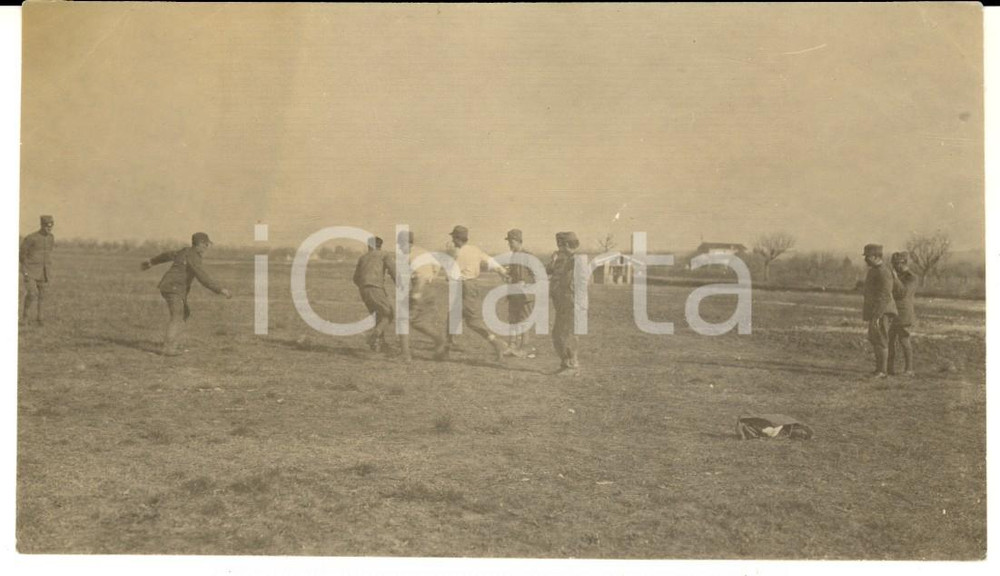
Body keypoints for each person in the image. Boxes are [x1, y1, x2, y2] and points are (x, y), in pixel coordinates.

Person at [141, 232, 232, 356]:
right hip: (174, 288)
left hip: (171, 286)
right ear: (200, 244)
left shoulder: (185, 251)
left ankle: (173, 344)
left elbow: (167, 255)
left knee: (184, 313)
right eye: (206, 245)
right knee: (177, 315)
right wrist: (220, 290)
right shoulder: (194, 257)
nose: (206, 248)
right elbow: (202, 276)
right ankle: (168, 348)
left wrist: (152, 262)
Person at [439, 225, 516, 362]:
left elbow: (452, 274)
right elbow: (491, 262)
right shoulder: (475, 250)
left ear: (457, 238)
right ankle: (445, 350)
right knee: (452, 318)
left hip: (464, 287)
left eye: (453, 238)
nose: (452, 240)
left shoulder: (458, 253)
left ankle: (497, 344)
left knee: (472, 321)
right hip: (471, 286)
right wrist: (503, 272)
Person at [396, 231, 447, 362]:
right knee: (418, 322)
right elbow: (437, 266)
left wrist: (416, 293)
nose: (399, 247)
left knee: (403, 320)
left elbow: (421, 276)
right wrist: (432, 277)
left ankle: (405, 355)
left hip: (420, 289)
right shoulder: (423, 251)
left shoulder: (411, 256)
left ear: (406, 243)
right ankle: (439, 340)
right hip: (430, 289)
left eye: (400, 244)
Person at [547, 231, 582, 376]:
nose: (558, 249)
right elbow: (548, 270)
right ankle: (565, 363)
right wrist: (554, 260)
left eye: (560, 245)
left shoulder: (576, 260)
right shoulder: (561, 259)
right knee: (557, 334)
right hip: (560, 301)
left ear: (566, 245)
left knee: (568, 333)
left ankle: (573, 365)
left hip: (571, 302)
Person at [353, 236, 396, 353]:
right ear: (380, 245)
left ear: (368, 245)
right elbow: (394, 271)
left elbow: (355, 278)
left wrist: (364, 286)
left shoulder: (362, 257)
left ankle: (379, 345)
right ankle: (374, 336)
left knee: (379, 316)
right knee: (389, 314)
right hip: (376, 288)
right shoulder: (384, 255)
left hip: (363, 290)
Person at [862, 243, 898, 378]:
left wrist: (877, 315)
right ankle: (879, 369)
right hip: (875, 311)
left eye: (868, 256)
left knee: (881, 339)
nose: (866, 259)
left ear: (877, 256)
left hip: (882, 312)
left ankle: (882, 371)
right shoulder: (874, 270)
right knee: (875, 339)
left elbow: (884, 295)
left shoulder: (883, 271)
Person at [504, 228, 537, 358]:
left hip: (526, 294)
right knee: (512, 319)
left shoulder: (529, 256)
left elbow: (537, 275)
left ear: (518, 241)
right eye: (508, 242)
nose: (509, 244)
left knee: (524, 321)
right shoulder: (513, 256)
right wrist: (508, 276)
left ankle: (525, 347)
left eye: (511, 241)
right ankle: (512, 346)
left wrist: (526, 282)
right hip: (514, 293)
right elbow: (513, 274)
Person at [19, 215, 55, 327]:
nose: (49, 228)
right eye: (46, 226)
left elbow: (48, 252)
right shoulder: (31, 238)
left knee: (42, 295)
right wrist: (24, 271)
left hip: (43, 271)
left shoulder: (51, 238)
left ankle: (40, 319)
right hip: (30, 270)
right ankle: (24, 317)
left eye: (51, 226)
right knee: (32, 293)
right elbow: (21, 255)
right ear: (41, 225)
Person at [889, 251, 918, 377]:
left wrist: (894, 278)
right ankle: (888, 368)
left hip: (904, 313)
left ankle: (909, 369)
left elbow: (903, 293)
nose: (895, 266)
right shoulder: (897, 275)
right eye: (894, 263)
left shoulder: (912, 277)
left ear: (904, 263)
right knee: (889, 341)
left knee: (904, 340)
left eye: (897, 263)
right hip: (892, 312)